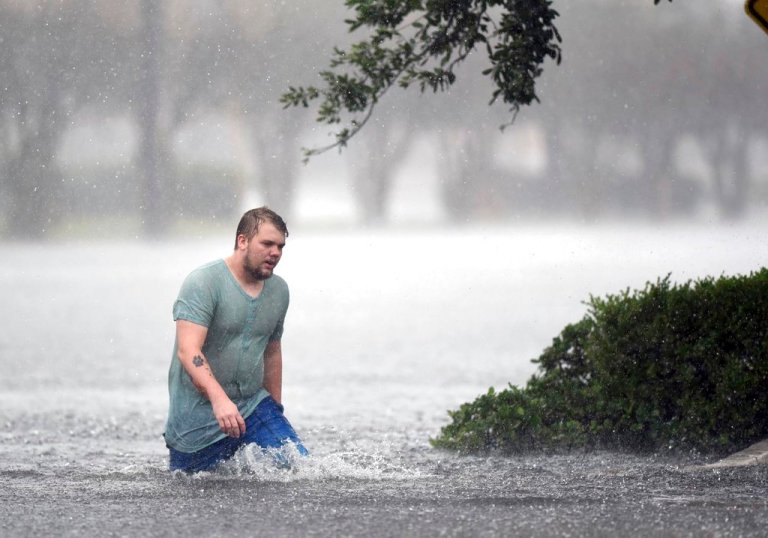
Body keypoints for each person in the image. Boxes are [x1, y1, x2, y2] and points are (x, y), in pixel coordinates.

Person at [164, 207, 308, 473]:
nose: (275, 252)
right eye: (267, 244)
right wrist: (220, 401)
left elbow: (271, 351)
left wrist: (275, 409)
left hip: (254, 406)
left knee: (298, 469)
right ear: (242, 241)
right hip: (197, 422)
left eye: (280, 246)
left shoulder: (279, 291)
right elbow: (188, 350)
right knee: (190, 486)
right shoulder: (203, 282)